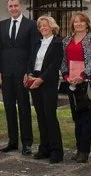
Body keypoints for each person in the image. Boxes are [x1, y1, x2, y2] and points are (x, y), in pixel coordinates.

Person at [0, 0, 39, 155]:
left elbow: (33, 50)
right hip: (6, 73)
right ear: (8, 8)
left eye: (15, 6)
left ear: (21, 7)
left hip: (22, 74)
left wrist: (29, 72)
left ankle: (27, 143)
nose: (13, 8)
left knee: (24, 108)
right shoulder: (2, 24)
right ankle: (12, 141)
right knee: (9, 108)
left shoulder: (31, 25)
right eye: (10, 6)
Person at [61, 12, 91, 163]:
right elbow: (63, 60)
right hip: (71, 83)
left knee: (87, 119)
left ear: (87, 23)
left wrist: (83, 76)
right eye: (75, 22)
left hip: (86, 83)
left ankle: (85, 152)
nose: (78, 24)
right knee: (76, 118)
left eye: (81, 21)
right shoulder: (67, 40)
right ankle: (78, 149)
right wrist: (66, 76)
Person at [28, 16, 64, 163]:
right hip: (34, 79)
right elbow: (31, 61)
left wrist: (40, 80)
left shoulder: (57, 43)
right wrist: (29, 74)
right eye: (41, 26)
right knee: (40, 116)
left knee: (50, 116)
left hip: (47, 81)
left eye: (45, 25)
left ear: (52, 26)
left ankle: (56, 151)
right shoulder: (37, 43)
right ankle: (44, 148)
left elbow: (54, 65)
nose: (43, 28)